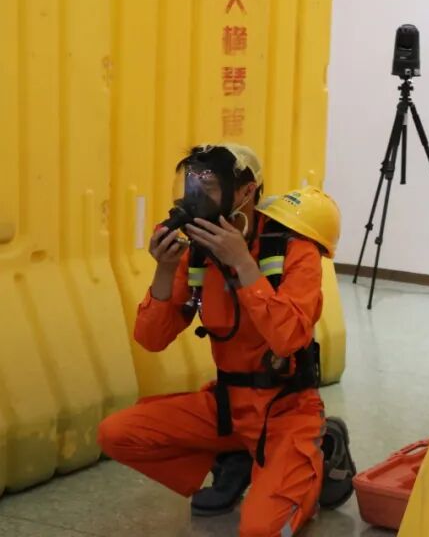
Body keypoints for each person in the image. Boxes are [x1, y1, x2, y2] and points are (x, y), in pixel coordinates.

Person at [98, 144, 355, 536]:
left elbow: (289, 338)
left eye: (210, 186)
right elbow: (151, 339)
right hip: (227, 407)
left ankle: (320, 453)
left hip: (287, 409)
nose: (195, 196)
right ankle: (237, 459)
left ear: (246, 191)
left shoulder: (292, 247)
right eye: (191, 185)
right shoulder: (198, 253)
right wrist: (165, 270)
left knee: (261, 531)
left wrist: (243, 263)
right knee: (117, 434)